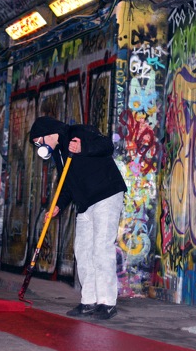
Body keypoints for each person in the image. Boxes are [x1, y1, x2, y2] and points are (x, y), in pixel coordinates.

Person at [29, 116, 127, 320]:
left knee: (101, 248)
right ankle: (89, 300)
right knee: (82, 251)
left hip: (106, 195)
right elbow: (66, 183)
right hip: (85, 204)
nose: (39, 147)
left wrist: (83, 147)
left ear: (48, 133)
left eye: (39, 142)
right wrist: (58, 206)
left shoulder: (78, 132)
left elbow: (106, 145)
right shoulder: (58, 153)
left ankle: (107, 303)